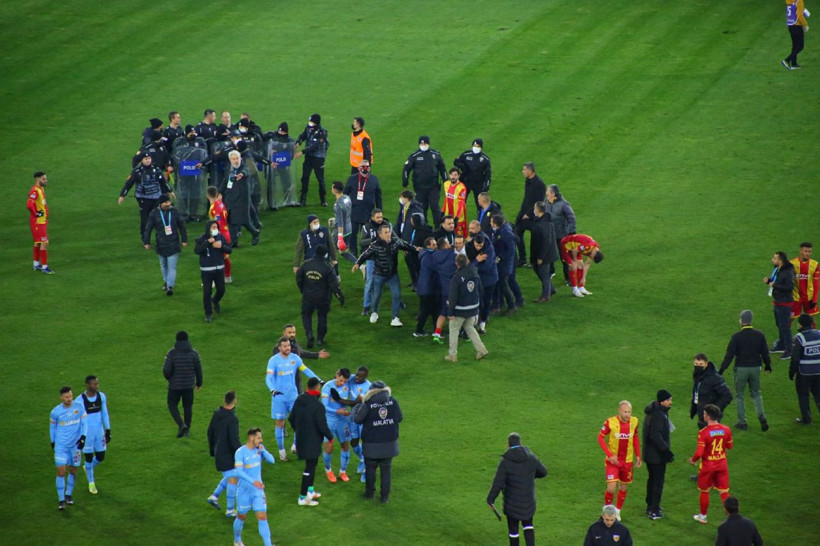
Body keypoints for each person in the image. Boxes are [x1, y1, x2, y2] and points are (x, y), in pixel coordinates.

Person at [486, 432, 548, 546]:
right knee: (528, 525)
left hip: (512, 504)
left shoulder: (505, 462)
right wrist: (530, 476)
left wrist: (490, 499)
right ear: (520, 443)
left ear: (508, 445)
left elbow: (498, 483)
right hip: (528, 502)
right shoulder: (531, 458)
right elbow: (543, 472)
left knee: (513, 531)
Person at [266, 336, 321, 461]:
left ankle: (295, 446)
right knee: (280, 423)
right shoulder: (273, 361)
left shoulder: (295, 359)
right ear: (279, 348)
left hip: (293, 397)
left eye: (289, 346)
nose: (288, 348)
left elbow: (306, 370)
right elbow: (268, 378)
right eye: (285, 346)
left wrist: (318, 379)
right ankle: (281, 451)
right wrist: (272, 389)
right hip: (279, 398)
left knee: (299, 422)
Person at [353, 223, 416, 326]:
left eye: (389, 232)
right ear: (380, 235)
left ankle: (395, 317)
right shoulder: (375, 245)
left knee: (397, 295)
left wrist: (416, 249)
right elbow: (365, 254)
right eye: (386, 233)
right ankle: (374, 312)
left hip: (392, 275)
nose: (388, 234)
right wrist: (358, 263)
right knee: (377, 295)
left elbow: (406, 245)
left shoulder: (395, 242)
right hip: (379, 274)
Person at [718, 310, 771, 431]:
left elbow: (729, 355)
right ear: (751, 320)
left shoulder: (737, 337)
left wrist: (721, 370)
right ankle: (762, 417)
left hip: (741, 369)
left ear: (741, 321)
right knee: (756, 393)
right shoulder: (760, 335)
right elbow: (765, 353)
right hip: (756, 368)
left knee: (740, 395)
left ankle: (742, 422)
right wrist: (768, 365)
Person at [353, 380, 402, 503]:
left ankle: (370, 494)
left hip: (372, 443)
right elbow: (400, 418)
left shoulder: (367, 405)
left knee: (370, 469)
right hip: (389, 443)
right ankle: (385, 497)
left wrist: (356, 408)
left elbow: (357, 419)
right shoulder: (393, 401)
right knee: (386, 470)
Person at [289, 377, 333, 506]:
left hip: (302, 438)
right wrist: (330, 437)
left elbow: (291, 418)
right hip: (312, 440)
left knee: (312, 464)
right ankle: (302, 498)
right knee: (309, 467)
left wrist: (299, 430)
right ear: (318, 387)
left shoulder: (299, 400)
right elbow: (322, 426)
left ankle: (310, 491)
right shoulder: (317, 405)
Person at [689, 404, 734, 525]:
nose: (703, 415)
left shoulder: (704, 433)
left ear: (708, 417)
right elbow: (729, 446)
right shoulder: (726, 429)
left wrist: (693, 460)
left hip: (708, 466)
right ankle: (732, 519)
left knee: (705, 491)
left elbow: (699, 452)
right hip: (722, 464)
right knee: (724, 492)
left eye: (704, 414)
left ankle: (703, 517)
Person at [597, 400, 641, 520]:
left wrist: (638, 455)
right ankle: (607, 510)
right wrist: (610, 455)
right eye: (625, 412)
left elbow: (635, 436)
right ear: (619, 411)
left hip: (627, 461)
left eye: (629, 412)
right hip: (613, 461)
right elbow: (600, 437)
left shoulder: (635, 421)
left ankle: (617, 511)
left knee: (623, 487)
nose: (627, 414)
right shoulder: (610, 422)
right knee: (611, 488)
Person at [232, 427, 275, 546]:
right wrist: (253, 481)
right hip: (244, 491)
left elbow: (272, 461)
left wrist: (264, 451)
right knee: (241, 516)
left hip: (257, 491)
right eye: (259, 437)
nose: (261, 440)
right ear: (251, 438)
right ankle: (237, 540)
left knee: (262, 517)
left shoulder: (259, 450)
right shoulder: (240, 452)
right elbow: (239, 472)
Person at [296, 244, 345, 347]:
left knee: (306, 315)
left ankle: (309, 334)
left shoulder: (306, 264)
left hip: (308, 296)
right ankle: (319, 339)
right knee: (322, 316)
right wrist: (340, 297)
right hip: (323, 297)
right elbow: (334, 285)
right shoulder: (327, 267)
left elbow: (299, 279)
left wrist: (303, 290)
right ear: (325, 254)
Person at [119, 152, 174, 239]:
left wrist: (170, 191)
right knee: (145, 219)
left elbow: (163, 181)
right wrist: (122, 195)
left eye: (149, 158)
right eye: (146, 159)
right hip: (143, 198)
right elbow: (129, 183)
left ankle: (159, 236)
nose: (148, 160)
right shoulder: (137, 171)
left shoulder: (156, 169)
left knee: (158, 217)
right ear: (142, 160)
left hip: (156, 197)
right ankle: (145, 237)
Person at [445, 253, 488, 362]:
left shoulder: (457, 277)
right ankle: (481, 350)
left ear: (457, 264)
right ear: (467, 261)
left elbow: (453, 296)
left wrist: (450, 312)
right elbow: (480, 290)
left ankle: (452, 355)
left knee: (454, 330)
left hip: (460, 310)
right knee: (470, 328)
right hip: (473, 308)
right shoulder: (475, 273)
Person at [50, 386, 87, 510]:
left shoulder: (79, 407)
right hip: (61, 446)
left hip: (75, 446)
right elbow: (52, 427)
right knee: (61, 471)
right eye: (66, 397)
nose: (69, 399)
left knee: (73, 470)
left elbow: (84, 423)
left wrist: (83, 437)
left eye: (70, 396)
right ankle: (61, 500)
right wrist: (53, 441)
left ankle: (68, 495)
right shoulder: (55, 412)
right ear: (61, 398)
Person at [142, 194, 188, 296]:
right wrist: (146, 242)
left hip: (174, 243)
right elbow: (148, 228)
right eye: (166, 202)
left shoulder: (175, 212)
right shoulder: (154, 213)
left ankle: (170, 286)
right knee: (163, 265)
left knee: (172, 266)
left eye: (169, 202)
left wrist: (184, 239)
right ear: (160, 203)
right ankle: (167, 282)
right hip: (160, 244)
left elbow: (182, 226)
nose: (168, 204)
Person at [206, 390, 242, 517]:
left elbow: (209, 432)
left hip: (218, 451)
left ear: (224, 400)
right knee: (233, 479)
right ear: (235, 401)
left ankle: (214, 496)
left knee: (230, 476)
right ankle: (230, 510)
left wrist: (212, 450)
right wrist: (241, 454)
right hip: (227, 454)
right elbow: (234, 440)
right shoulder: (232, 419)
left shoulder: (217, 413)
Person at [163, 331, 203, 438]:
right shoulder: (194, 354)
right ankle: (186, 430)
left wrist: (169, 378)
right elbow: (198, 370)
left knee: (172, 404)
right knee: (188, 407)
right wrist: (199, 383)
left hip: (174, 386)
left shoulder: (172, 353)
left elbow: (166, 371)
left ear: (177, 340)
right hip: (189, 386)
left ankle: (181, 424)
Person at [642, 389, 673, 520]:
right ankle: (654, 510)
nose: (671, 402)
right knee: (657, 482)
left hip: (650, 454)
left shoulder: (655, 412)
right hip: (656, 456)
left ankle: (650, 506)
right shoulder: (658, 415)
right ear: (662, 401)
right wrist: (666, 450)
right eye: (669, 400)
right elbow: (655, 435)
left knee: (652, 480)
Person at [402, 135, 446, 226]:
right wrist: (405, 179)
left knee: (435, 206)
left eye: (425, 143)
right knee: (422, 208)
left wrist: (445, 179)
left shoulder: (436, 154)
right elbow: (406, 168)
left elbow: (442, 167)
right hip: (420, 187)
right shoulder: (414, 155)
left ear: (428, 144)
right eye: (421, 143)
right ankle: (424, 227)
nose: (423, 145)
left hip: (433, 186)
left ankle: (438, 227)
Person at [220, 150, 259, 247]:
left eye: (237, 158)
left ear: (240, 159)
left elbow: (246, 172)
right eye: (233, 159)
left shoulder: (244, 167)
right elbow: (225, 181)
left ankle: (255, 232)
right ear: (230, 160)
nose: (236, 161)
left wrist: (241, 175)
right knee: (230, 221)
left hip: (242, 198)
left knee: (243, 221)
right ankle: (233, 242)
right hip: (230, 197)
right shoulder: (229, 168)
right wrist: (219, 192)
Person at [79, 375, 110, 495]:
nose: (97, 386)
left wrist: (108, 430)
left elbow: (105, 413)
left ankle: (88, 467)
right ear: (88, 385)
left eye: (97, 384)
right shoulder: (80, 400)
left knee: (101, 456)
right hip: (87, 434)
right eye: (94, 384)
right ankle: (91, 483)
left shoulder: (101, 396)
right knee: (87, 456)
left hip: (99, 432)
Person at [343, 159, 382, 256]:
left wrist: (379, 210)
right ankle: (353, 250)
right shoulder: (352, 179)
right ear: (358, 168)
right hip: (354, 211)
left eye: (367, 167)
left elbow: (378, 196)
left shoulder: (374, 179)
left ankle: (365, 249)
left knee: (367, 233)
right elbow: (345, 194)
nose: (365, 169)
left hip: (368, 212)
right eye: (363, 167)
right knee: (353, 233)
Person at [195, 220, 231, 322]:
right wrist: (207, 243)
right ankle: (208, 313)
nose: (215, 229)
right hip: (206, 270)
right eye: (213, 227)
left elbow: (229, 249)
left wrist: (222, 247)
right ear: (208, 228)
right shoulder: (202, 239)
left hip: (219, 268)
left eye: (216, 227)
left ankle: (215, 300)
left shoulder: (220, 237)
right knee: (207, 292)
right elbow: (197, 250)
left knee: (221, 290)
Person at [321, 368, 353, 483]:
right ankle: (328, 470)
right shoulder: (327, 387)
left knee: (345, 445)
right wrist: (337, 411)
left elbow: (357, 376)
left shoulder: (347, 383)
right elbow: (324, 406)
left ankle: (343, 472)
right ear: (337, 375)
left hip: (343, 420)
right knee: (329, 448)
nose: (342, 383)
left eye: (344, 381)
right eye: (340, 380)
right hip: (329, 421)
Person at [514, 162, 546, 267]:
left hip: (534, 217)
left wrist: (529, 214)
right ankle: (522, 259)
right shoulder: (528, 181)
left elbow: (540, 201)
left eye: (524, 170)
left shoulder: (539, 184)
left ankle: (534, 261)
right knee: (517, 232)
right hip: (524, 213)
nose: (523, 172)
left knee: (535, 238)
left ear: (530, 171)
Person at [764, 250, 795, 359]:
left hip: (784, 303)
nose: (773, 260)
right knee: (779, 324)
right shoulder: (778, 269)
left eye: (775, 258)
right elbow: (776, 282)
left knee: (785, 326)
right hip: (778, 301)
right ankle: (781, 345)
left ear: (780, 261)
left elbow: (789, 287)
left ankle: (789, 350)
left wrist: (774, 285)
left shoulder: (787, 272)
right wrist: (769, 281)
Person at [790, 313, 820, 424]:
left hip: (804, 373)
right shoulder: (819, 334)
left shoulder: (799, 338)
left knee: (803, 396)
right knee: (818, 395)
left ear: (801, 324)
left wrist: (792, 373)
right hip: (819, 371)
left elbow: (795, 358)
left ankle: (806, 419)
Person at [294, 113, 329, 206]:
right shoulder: (308, 129)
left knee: (320, 179)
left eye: (312, 122)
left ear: (316, 123)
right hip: (309, 158)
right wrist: (298, 142)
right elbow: (302, 136)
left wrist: (302, 152)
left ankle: (323, 200)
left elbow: (315, 146)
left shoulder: (323, 133)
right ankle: (302, 200)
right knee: (304, 178)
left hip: (318, 159)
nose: (310, 123)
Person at [544, 184, 576, 286]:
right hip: (550, 234)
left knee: (564, 257)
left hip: (562, 235)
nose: (546, 193)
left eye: (548, 192)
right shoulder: (546, 202)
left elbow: (572, 218)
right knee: (549, 254)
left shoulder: (564, 204)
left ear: (553, 194)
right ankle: (551, 271)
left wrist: (571, 232)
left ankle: (568, 278)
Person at [691, 353, 733, 429]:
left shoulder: (714, 378)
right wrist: (694, 408)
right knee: (704, 439)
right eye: (696, 364)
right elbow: (697, 393)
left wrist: (714, 410)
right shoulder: (698, 375)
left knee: (710, 438)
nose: (698, 366)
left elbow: (728, 395)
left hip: (711, 417)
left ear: (706, 364)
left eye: (701, 364)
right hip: (702, 415)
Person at [529, 201, 558, 303]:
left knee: (544, 274)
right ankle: (552, 289)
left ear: (537, 210)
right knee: (538, 269)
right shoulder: (543, 220)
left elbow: (546, 241)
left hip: (545, 255)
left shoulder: (543, 224)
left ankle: (545, 296)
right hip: (545, 253)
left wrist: (541, 257)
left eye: (534, 208)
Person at [469, 233, 497, 334]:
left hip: (489, 280)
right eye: (477, 245)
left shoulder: (489, 249)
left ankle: (482, 323)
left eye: (480, 246)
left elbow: (486, 267)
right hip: (477, 279)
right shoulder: (469, 246)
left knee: (486, 301)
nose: (478, 247)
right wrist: (477, 261)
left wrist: (473, 265)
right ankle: (476, 321)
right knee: (478, 302)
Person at [345, 367, 371, 479]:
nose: (357, 377)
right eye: (356, 375)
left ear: (365, 377)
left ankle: (366, 470)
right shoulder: (351, 378)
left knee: (365, 443)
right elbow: (339, 376)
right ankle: (362, 459)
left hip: (364, 418)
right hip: (353, 417)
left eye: (360, 376)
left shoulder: (369, 387)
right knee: (354, 442)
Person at [560, 233, 604, 298]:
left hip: (576, 248)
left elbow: (587, 264)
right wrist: (575, 260)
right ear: (595, 254)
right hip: (566, 244)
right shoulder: (588, 246)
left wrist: (584, 278)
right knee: (572, 266)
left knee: (580, 265)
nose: (591, 257)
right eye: (592, 256)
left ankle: (581, 288)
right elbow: (574, 251)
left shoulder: (595, 250)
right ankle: (574, 289)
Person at [28, 171, 55, 274]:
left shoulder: (41, 189)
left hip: (41, 220)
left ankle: (36, 264)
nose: (46, 180)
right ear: (38, 179)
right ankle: (44, 267)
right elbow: (29, 205)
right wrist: (36, 214)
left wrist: (45, 213)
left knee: (38, 242)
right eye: (44, 179)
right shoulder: (35, 191)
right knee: (44, 242)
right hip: (38, 222)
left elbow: (42, 204)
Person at [453, 138, 491, 211]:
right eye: (474, 145)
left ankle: (480, 220)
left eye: (477, 146)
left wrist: (487, 185)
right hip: (465, 182)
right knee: (461, 202)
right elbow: (456, 162)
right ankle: (458, 219)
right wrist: (462, 166)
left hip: (478, 183)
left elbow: (488, 174)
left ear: (481, 147)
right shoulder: (466, 154)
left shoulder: (485, 159)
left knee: (480, 204)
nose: (475, 147)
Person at [206, 186, 233, 283]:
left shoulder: (214, 208)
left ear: (207, 195)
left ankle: (214, 280)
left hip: (220, 234)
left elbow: (218, 223)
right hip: (227, 232)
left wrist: (215, 236)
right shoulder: (220, 203)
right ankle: (228, 277)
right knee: (225, 257)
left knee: (215, 257)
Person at [790, 242, 819, 326]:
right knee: (789, 319)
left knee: (811, 320)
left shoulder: (815, 264)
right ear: (801, 251)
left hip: (809, 297)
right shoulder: (792, 264)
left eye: (809, 251)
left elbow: (816, 283)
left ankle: (813, 338)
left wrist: (815, 299)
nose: (807, 254)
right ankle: (786, 338)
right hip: (796, 297)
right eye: (805, 251)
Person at [782, 0, 810, 69]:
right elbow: (799, 16)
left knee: (795, 46)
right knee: (800, 46)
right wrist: (805, 25)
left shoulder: (788, 1)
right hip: (797, 26)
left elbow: (793, 10)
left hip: (790, 25)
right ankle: (787, 60)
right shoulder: (799, 1)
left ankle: (794, 64)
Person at [442, 168, 468, 238]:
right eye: (452, 175)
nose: (453, 177)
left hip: (458, 218)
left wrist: (457, 218)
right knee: (448, 235)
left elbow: (461, 204)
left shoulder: (461, 188)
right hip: (448, 216)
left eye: (455, 175)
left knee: (459, 237)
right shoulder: (446, 184)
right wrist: (442, 211)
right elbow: (446, 199)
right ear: (449, 175)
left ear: (459, 176)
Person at [331, 181, 354, 259]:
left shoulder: (338, 204)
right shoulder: (347, 198)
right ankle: (360, 266)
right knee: (344, 252)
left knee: (329, 251)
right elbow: (346, 213)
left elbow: (340, 222)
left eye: (332, 187)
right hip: (349, 228)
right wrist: (335, 220)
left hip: (341, 231)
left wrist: (340, 237)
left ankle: (331, 269)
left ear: (335, 190)